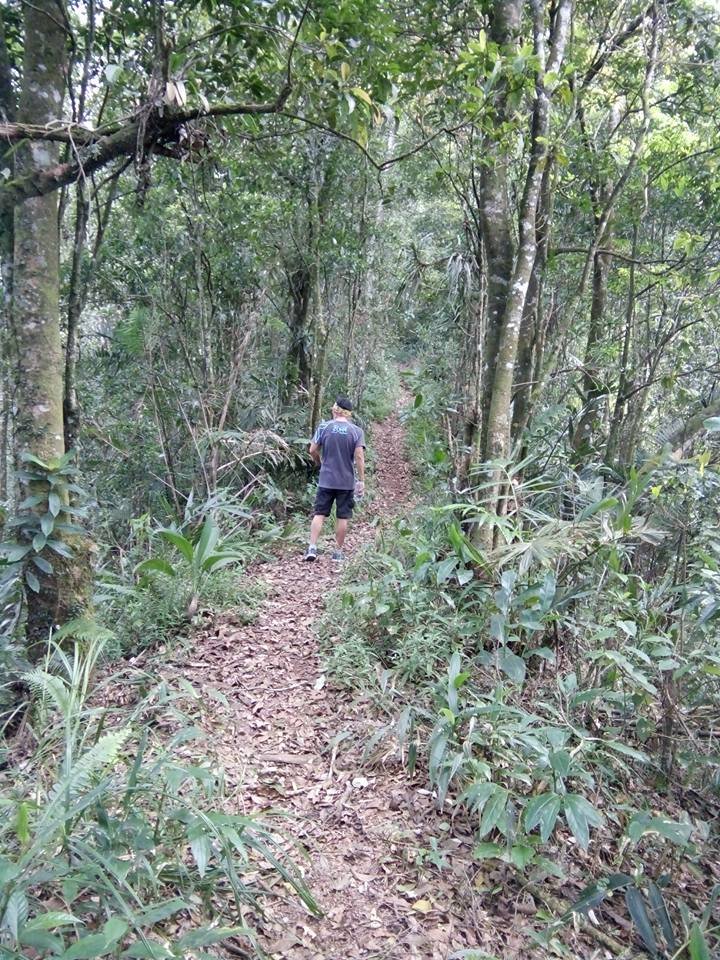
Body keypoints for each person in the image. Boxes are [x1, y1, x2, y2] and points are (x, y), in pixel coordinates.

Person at [304, 396, 365, 562]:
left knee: (320, 513)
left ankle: (312, 548)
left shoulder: (324, 427)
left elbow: (312, 450)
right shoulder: (356, 431)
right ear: (349, 414)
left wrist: (320, 463)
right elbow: (359, 456)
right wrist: (361, 480)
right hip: (346, 481)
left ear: (335, 410)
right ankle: (337, 553)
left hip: (326, 479)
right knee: (342, 516)